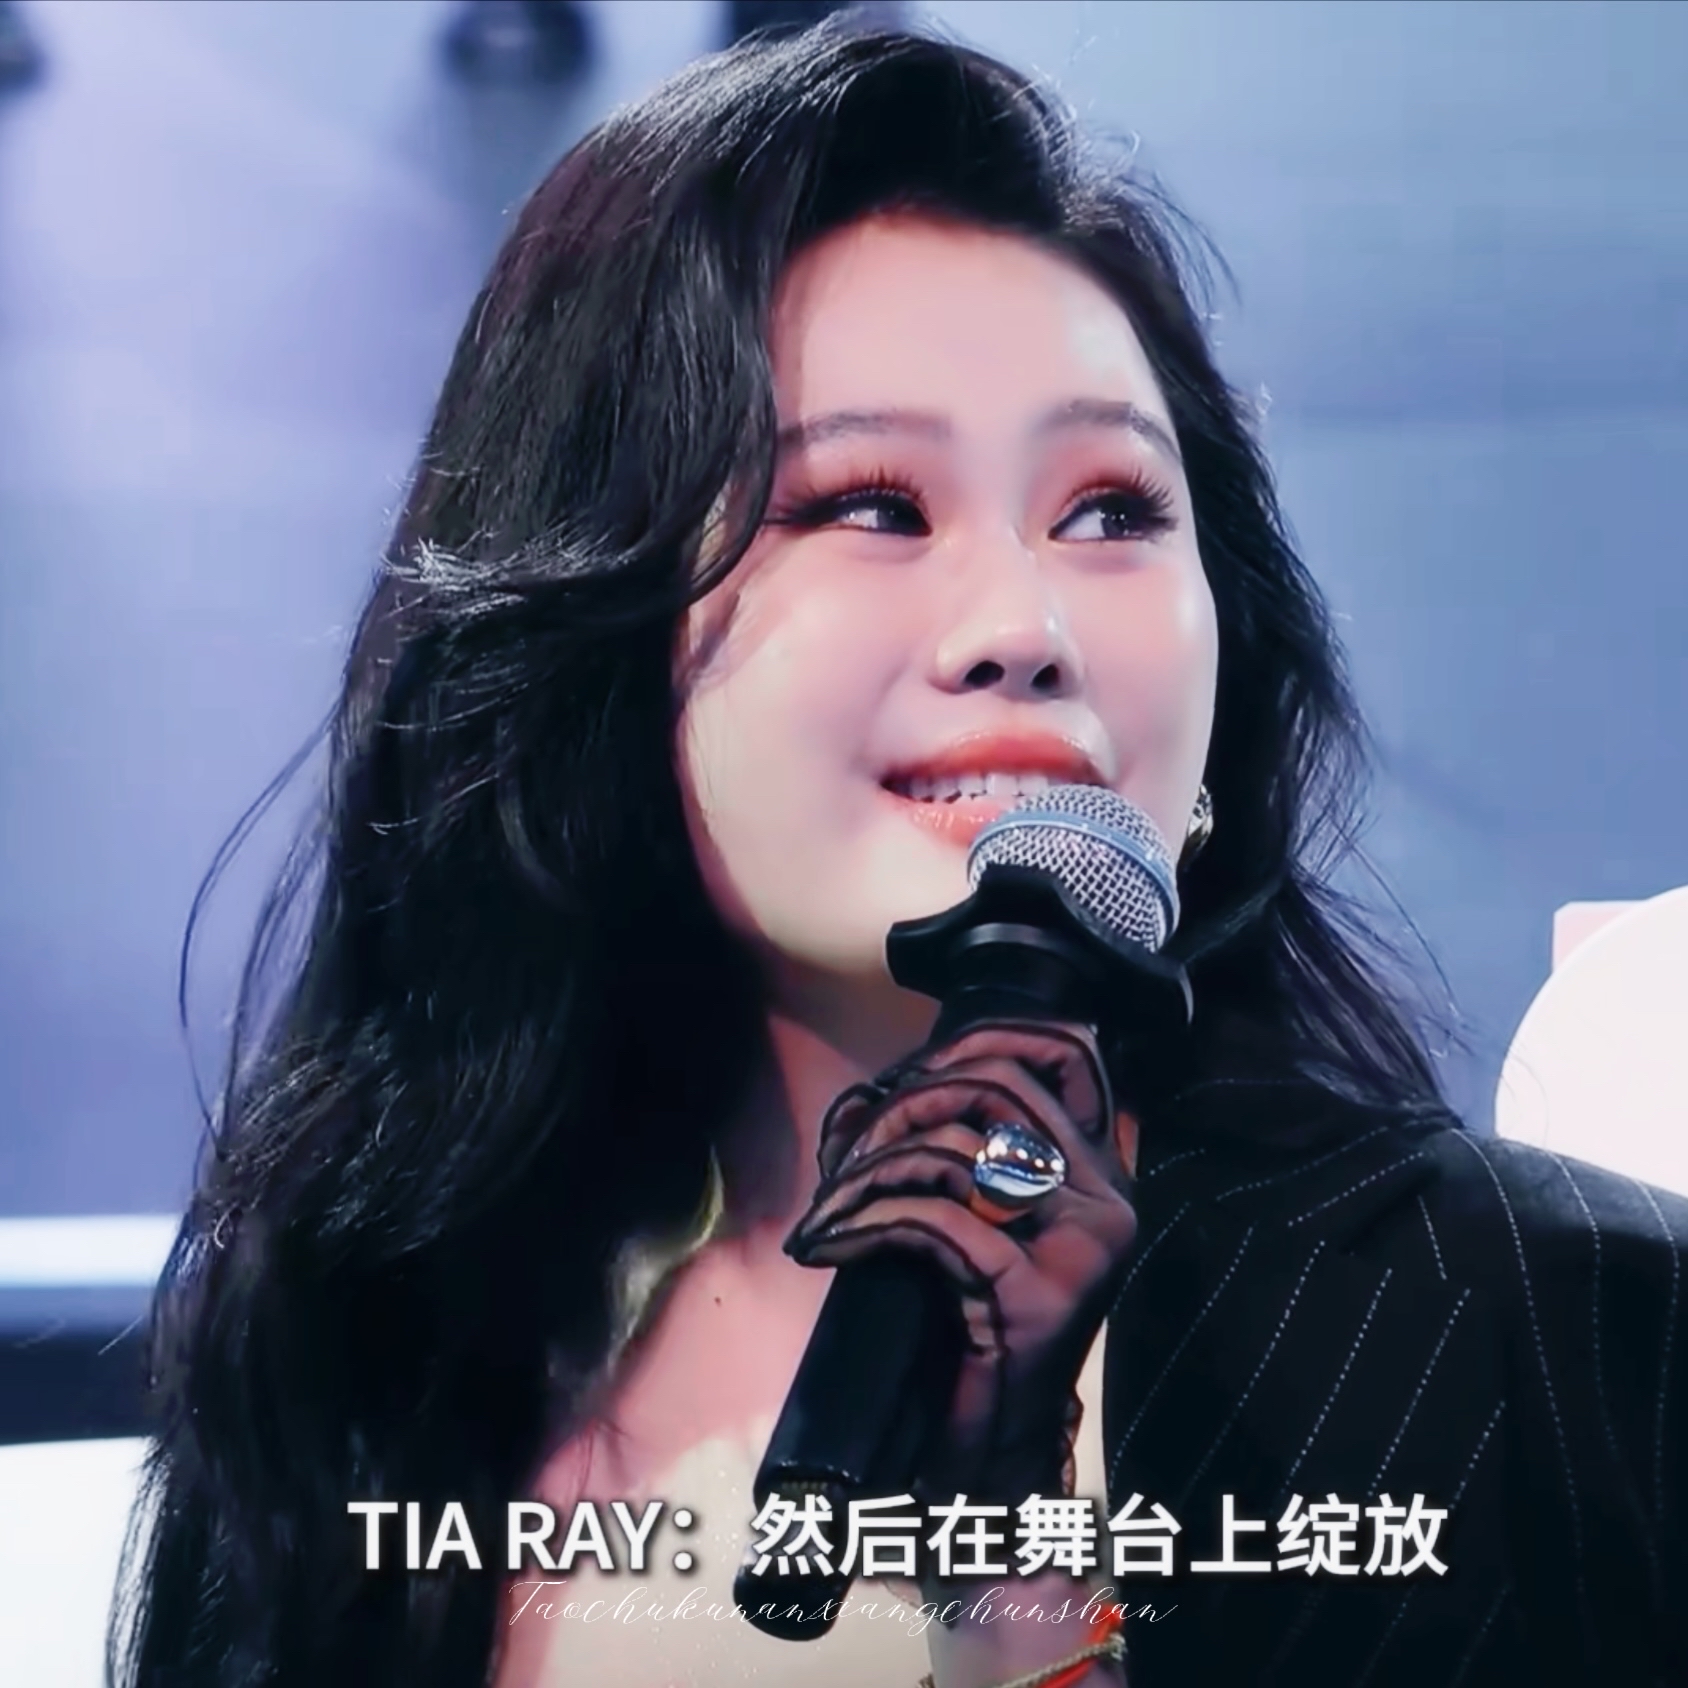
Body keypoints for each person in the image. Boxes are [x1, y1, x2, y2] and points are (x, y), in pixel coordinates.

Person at [110, 20, 1688, 1688]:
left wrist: (1018, 1573)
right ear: (595, 634)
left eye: (1111, 511)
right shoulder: (356, 1359)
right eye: (870, 505)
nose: (1023, 624)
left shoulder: (1548, 1334)